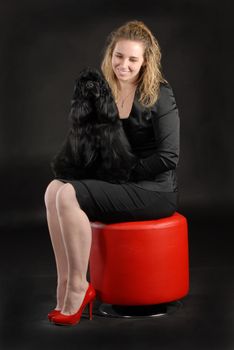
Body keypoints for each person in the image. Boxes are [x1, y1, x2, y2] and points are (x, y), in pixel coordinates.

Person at [44, 20, 180, 326]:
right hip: (120, 181)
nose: (124, 64)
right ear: (111, 55)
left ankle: (80, 287)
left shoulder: (160, 94)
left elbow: (169, 157)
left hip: (154, 191)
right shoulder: (104, 90)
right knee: (53, 188)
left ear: (146, 61)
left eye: (133, 59)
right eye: (119, 56)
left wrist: (123, 173)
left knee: (68, 194)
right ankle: (64, 285)